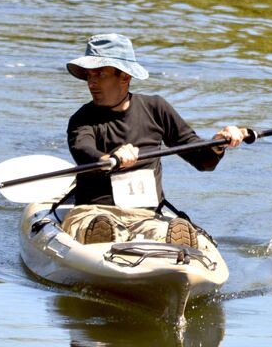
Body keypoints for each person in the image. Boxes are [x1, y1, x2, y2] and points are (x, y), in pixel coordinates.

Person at [61, 33, 248, 245]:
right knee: (98, 224)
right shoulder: (82, 118)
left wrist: (217, 143)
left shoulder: (156, 109)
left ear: (125, 77)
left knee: (159, 231)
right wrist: (110, 158)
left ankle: (173, 241)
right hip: (93, 211)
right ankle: (103, 236)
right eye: (88, 75)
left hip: (145, 216)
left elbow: (203, 161)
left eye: (100, 74)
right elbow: (84, 152)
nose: (91, 83)